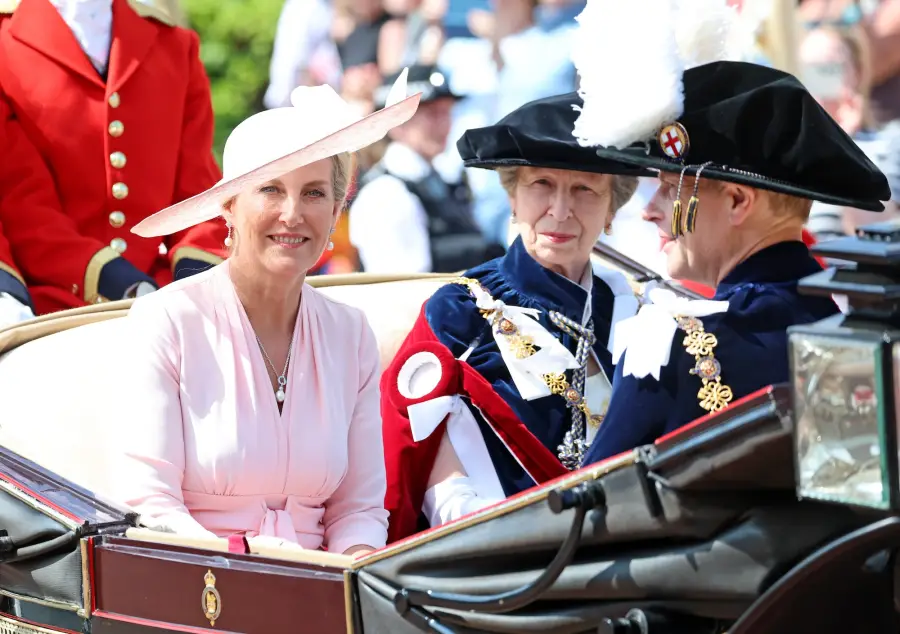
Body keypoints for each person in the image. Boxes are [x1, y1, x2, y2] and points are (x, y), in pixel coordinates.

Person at [106, 78, 421, 556]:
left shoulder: (351, 333)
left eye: (314, 194)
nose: (292, 213)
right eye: (271, 190)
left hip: (324, 592)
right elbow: (147, 502)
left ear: (337, 210)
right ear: (229, 207)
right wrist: (253, 571)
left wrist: (353, 581)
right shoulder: (167, 320)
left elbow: (358, 510)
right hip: (199, 589)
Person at [567, 1, 890, 465]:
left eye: (669, 190)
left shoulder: (666, 337)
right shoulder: (845, 326)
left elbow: (582, 509)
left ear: (738, 202)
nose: (650, 213)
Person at [380, 91, 647, 542]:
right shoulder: (461, 311)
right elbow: (429, 468)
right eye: (541, 184)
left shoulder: (633, 310)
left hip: (620, 536)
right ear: (512, 197)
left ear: (611, 211)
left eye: (584, 189)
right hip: (501, 548)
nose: (559, 211)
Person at [0, 0, 226, 314]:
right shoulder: (5, 41)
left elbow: (198, 195)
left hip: (165, 293)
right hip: (49, 306)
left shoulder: (175, 45)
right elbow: (21, 203)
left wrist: (196, 284)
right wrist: (111, 278)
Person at [350, 64, 505, 273]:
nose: (444, 124)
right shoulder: (385, 194)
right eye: (432, 114)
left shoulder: (446, 181)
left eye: (447, 112)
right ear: (397, 124)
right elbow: (402, 289)